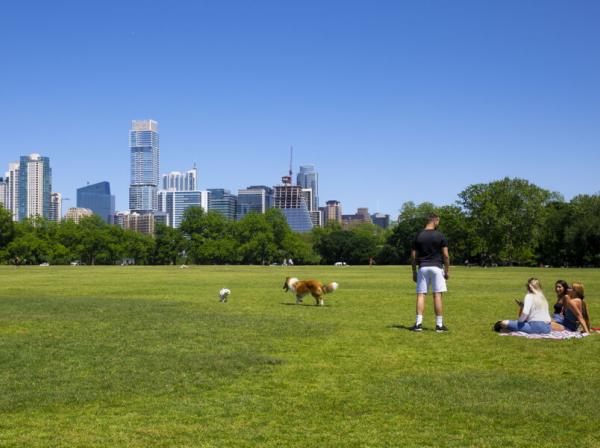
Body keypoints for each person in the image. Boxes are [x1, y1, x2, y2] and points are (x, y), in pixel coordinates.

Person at [410, 213, 450, 332]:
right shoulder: (440, 235)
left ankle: (418, 324)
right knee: (437, 295)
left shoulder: (419, 235)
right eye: (438, 221)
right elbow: (446, 256)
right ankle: (439, 325)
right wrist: (447, 271)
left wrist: (414, 271)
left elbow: (413, 257)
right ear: (435, 220)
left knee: (421, 294)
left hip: (423, 267)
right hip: (437, 267)